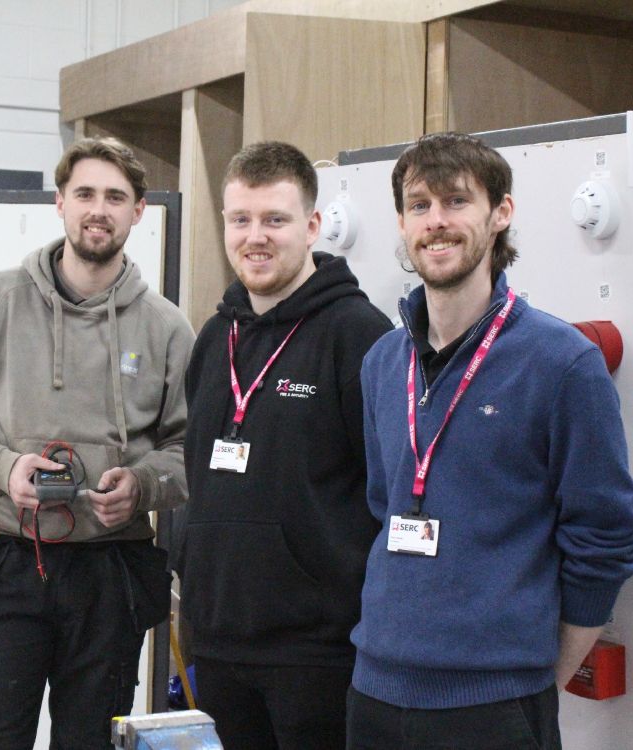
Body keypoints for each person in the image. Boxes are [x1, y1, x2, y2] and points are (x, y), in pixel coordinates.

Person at [347, 132, 633, 749]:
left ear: (501, 213)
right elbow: (384, 505)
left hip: (494, 703)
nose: (437, 222)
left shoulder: (562, 364)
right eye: (419, 205)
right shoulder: (381, 363)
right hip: (374, 690)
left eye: (456, 201)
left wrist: (540, 673)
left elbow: (605, 535)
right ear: (401, 223)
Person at [0, 137, 195, 749]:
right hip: (8, 563)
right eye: (86, 194)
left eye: (116, 197)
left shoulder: (168, 328)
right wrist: (3, 466)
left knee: (91, 743)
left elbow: (187, 452)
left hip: (110, 569)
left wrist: (144, 486)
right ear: (61, 203)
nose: (100, 209)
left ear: (139, 211)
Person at [181, 141, 394, 749]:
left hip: (318, 652)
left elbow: (390, 491)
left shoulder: (359, 335)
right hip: (219, 643)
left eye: (274, 219)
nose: (256, 237)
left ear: (312, 225)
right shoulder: (215, 335)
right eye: (240, 219)